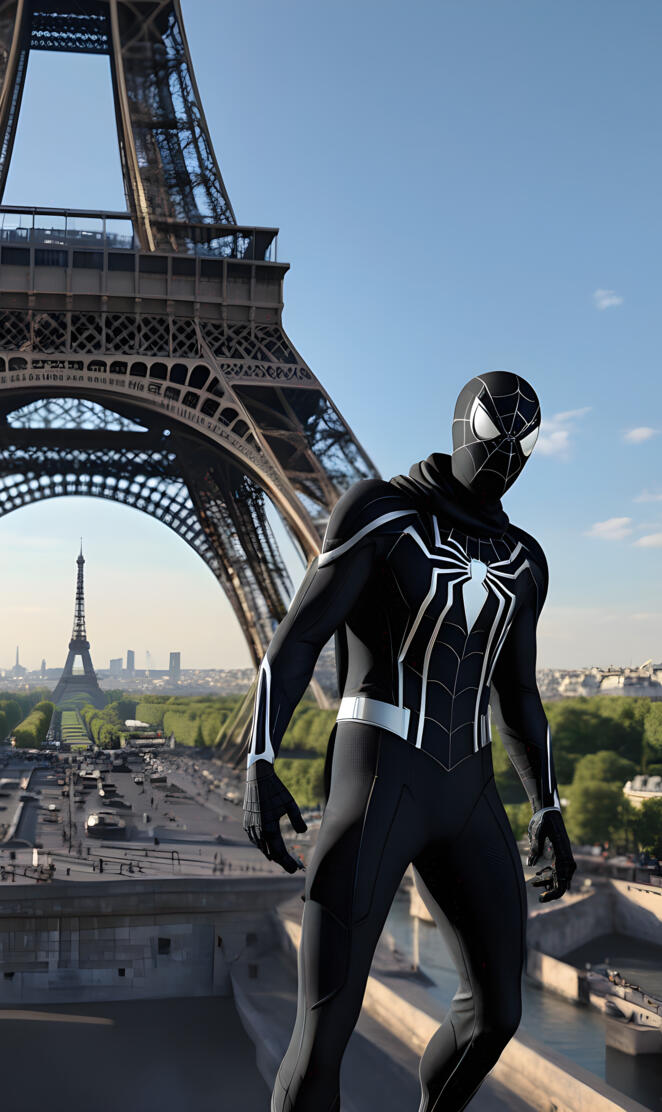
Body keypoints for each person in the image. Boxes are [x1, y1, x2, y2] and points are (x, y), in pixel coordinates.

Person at [243, 372, 577, 1112]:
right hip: (378, 780)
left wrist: (547, 806)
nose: (506, 460)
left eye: (520, 447)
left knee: (499, 1014)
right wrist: (259, 757)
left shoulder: (526, 559)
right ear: (464, 429)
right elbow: (298, 638)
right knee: (324, 1029)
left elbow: (517, 693)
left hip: (468, 785)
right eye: (497, 440)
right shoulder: (381, 512)